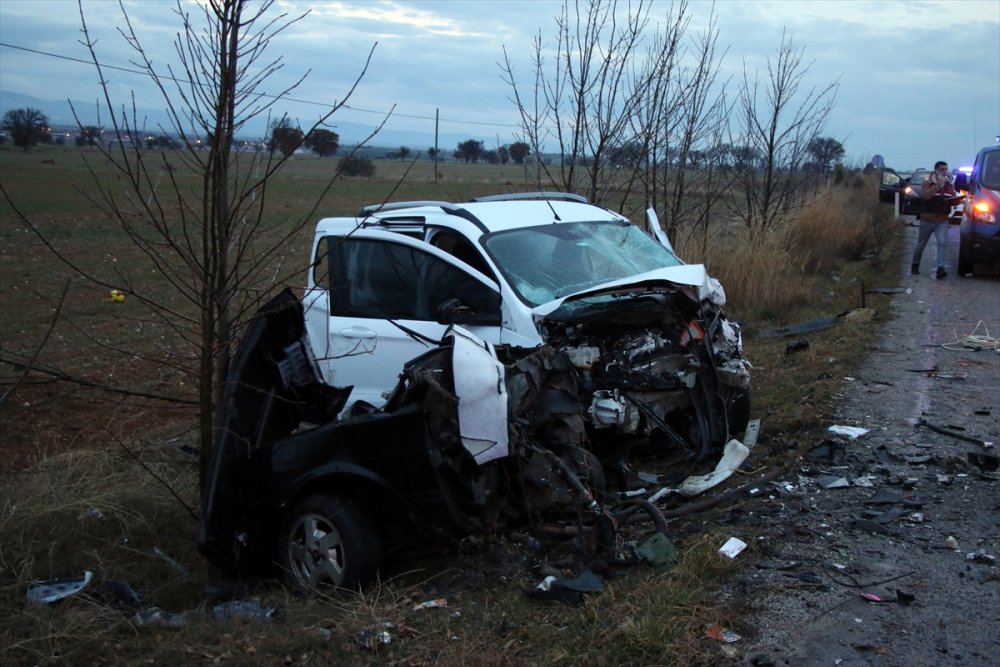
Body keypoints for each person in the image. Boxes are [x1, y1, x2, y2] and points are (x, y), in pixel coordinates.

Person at [911, 161, 955, 279]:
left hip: (942, 220)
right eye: (942, 169)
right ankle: (915, 264)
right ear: (936, 170)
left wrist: (958, 199)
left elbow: (952, 200)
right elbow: (926, 196)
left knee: (942, 243)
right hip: (927, 219)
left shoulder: (949, 185)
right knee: (921, 244)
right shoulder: (928, 183)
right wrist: (938, 186)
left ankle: (940, 268)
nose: (945, 172)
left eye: (946, 169)